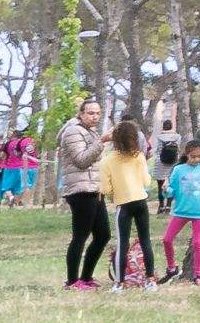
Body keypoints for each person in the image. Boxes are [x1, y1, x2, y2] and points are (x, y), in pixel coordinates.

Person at [58, 97, 111, 289]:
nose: (95, 117)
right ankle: (72, 281)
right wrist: (101, 141)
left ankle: (86, 277)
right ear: (81, 114)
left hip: (95, 189)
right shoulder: (73, 131)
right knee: (80, 236)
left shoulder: (90, 132)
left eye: (97, 113)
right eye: (90, 113)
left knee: (103, 235)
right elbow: (81, 160)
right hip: (81, 190)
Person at [101, 120, 156, 289]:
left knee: (122, 243)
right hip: (141, 202)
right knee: (145, 240)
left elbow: (105, 188)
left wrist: (113, 193)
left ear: (115, 140)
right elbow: (146, 181)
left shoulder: (107, 161)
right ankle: (150, 280)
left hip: (123, 205)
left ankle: (119, 283)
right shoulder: (139, 157)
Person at [162, 138, 200, 285]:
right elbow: (171, 191)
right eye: (193, 156)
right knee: (167, 239)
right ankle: (171, 268)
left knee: (198, 243)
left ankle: (198, 275)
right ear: (187, 155)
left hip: (199, 213)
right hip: (180, 211)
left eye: (199, 156)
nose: (196, 159)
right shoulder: (178, 170)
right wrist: (166, 190)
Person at [151, 120, 181, 215]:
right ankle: (168, 206)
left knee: (160, 186)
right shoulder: (177, 137)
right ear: (171, 126)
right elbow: (178, 149)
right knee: (171, 185)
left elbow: (156, 149)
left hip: (160, 163)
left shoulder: (158, 137)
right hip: (173, 163)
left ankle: (161, 206)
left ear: (163, 127)